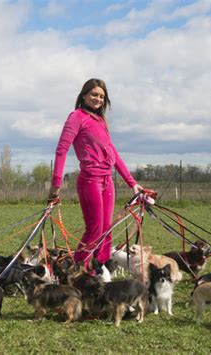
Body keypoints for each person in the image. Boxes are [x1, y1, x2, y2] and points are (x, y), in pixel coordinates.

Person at [48, 78, 142, 268]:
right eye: (94, 94)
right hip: (90, 180)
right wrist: (56, 184)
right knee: (95, 230)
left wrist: (132, 182)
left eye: (102, 96)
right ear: (84, 96)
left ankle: (101, 271)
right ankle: (76, 272)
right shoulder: (76, 117)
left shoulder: (100, 121)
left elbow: (112, 152)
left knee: (107, 230)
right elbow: (61, 149)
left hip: (108, 180)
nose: (98, 99)